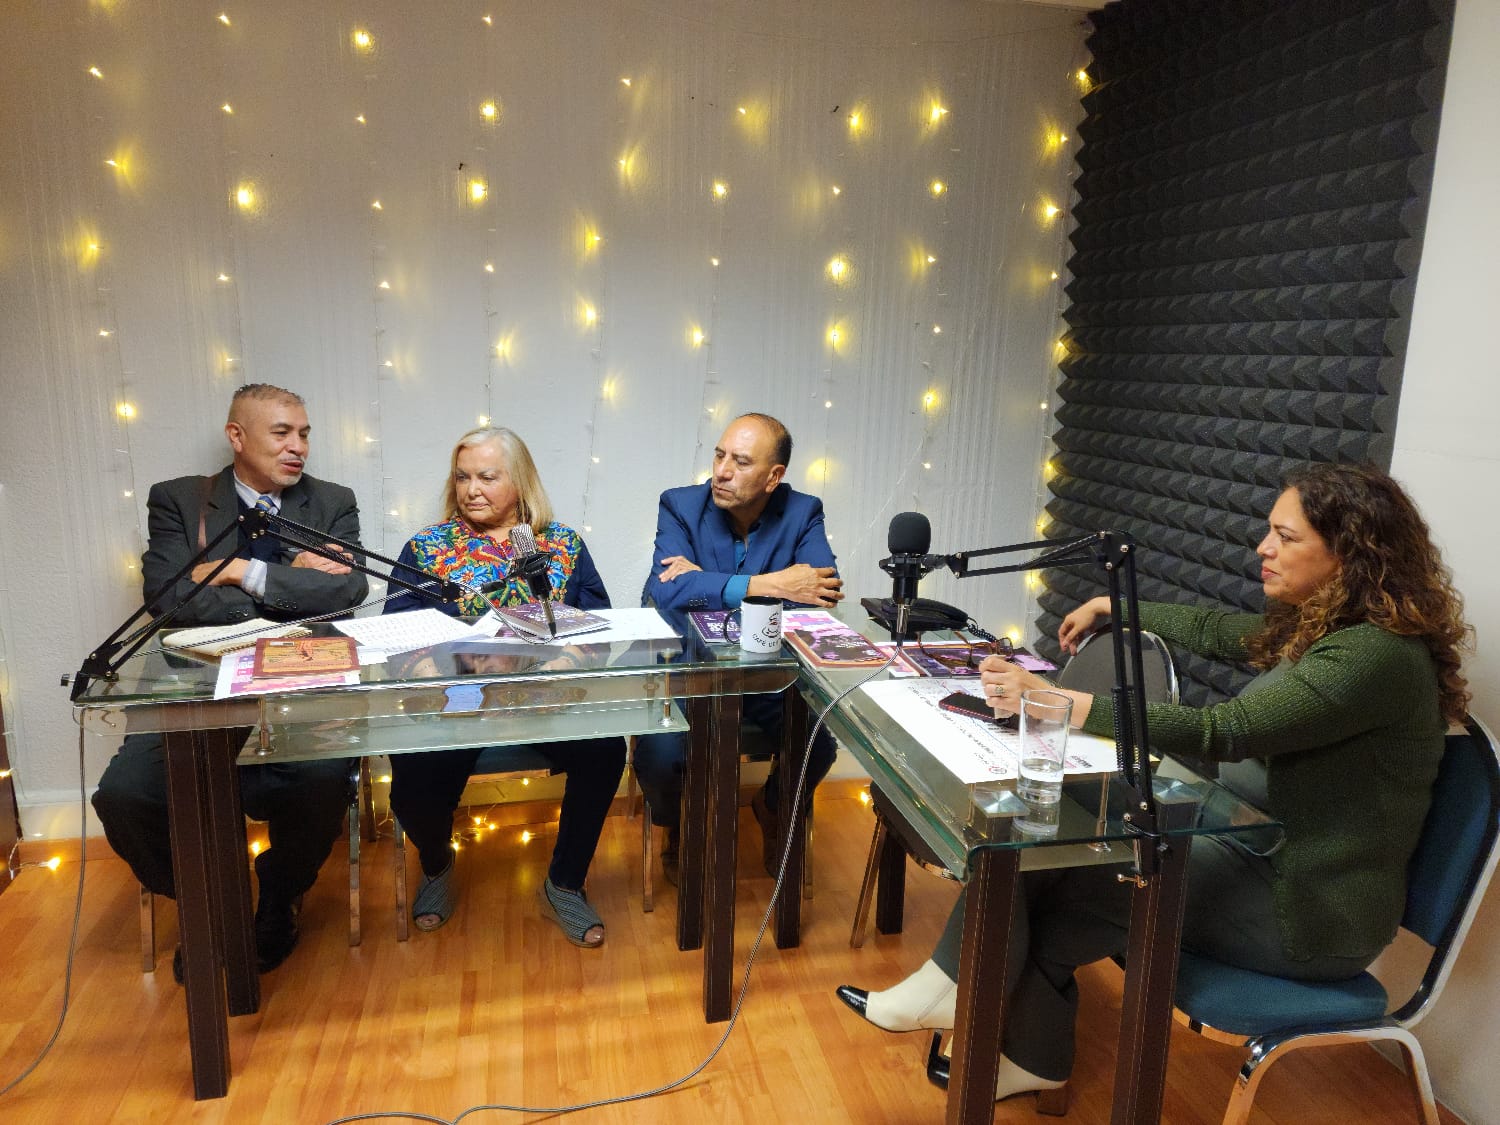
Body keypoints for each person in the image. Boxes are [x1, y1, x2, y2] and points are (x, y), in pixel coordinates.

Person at [835, 462, 1470, 1103]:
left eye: (1286, 537)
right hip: (1250, 850)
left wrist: (1060, 701)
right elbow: (1217, 631)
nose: (1264, 548)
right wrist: (1114, 607)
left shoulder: (1375, 655)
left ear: (1351, 553)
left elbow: (1225, 730)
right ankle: (1029, 1054)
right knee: (1050, 848)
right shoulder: (1324, 624)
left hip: (1306, 911)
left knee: (1056, 862)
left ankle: (955, 989)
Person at [93, 383, 368, 977]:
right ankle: (211, 902)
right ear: (236, 436)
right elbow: (169, 598)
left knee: (322, 779)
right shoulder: (180, 500)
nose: (298, 447)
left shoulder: (331, 502)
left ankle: (278, 897)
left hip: (299, 685)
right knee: (126, 795)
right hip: (194, 687)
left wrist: (242, 571)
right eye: (282, 433)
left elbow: (348, 591)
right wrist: (290, 584)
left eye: (304, 434)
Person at [383, 426, 624, 948]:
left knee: (606, 751)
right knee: (411, 783)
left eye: (487, 477)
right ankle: (437, 864)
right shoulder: (426, 548)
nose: (472, 489)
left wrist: (570, 660)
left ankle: (565, 883)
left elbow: (597, 624)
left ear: (520, 482)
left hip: (543, 699)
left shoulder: (561, 544)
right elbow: (398, 633)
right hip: (457, 702)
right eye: (463, 477)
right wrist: (425, 672)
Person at [633, 412, 844, 883]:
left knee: (818, 747)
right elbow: (667, 590)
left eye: (741, 462)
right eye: (719, 455)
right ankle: (679, 821)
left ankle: (772, 806)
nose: (722, 472)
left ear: (773, 476)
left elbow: (822, 594)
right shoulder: (680, 505)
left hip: (767, 672)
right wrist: (770, 584)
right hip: (691, 670)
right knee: (661, 757)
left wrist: (707, 582)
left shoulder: (803, 511)